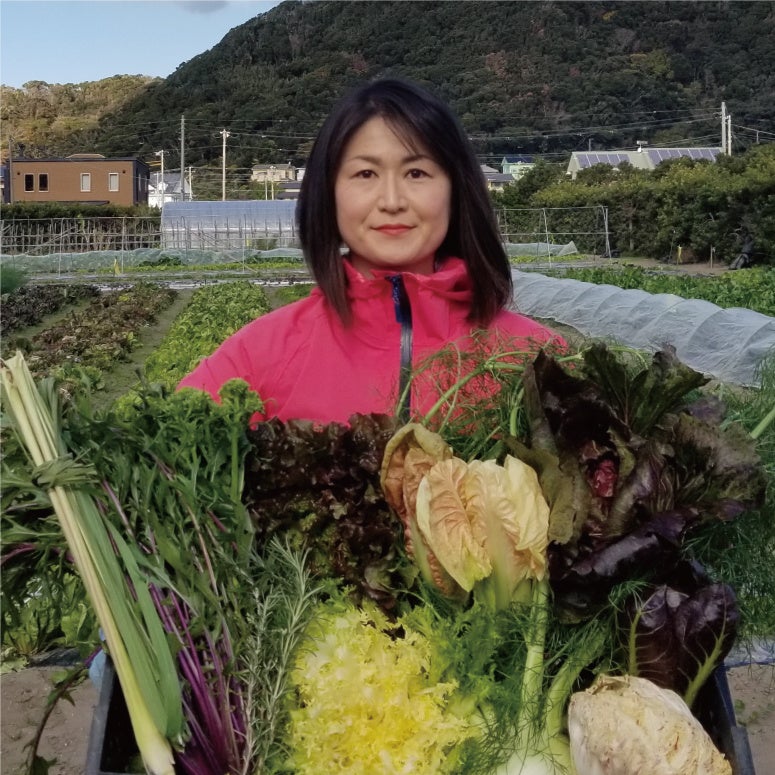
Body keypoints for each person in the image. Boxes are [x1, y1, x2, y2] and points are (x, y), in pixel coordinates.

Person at [179, 78, 562, 424]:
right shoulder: (258, 356)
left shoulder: (537, 359)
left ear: (455, 190)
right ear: (329, 192)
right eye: (365, 174)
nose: (392, 201)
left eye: (417, 173)